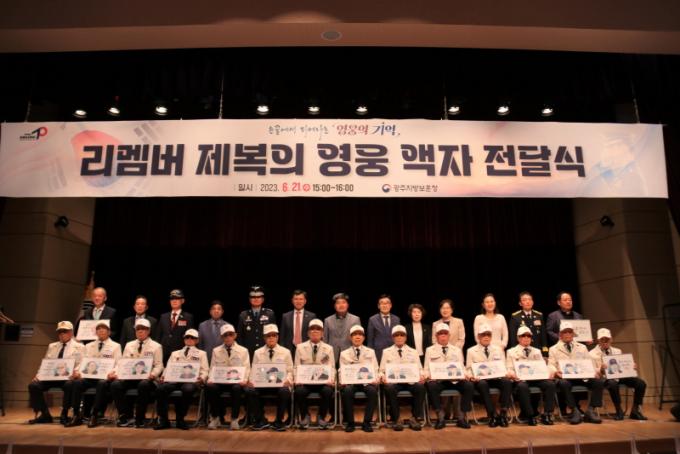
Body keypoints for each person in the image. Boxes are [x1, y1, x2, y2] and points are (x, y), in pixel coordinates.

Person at [27, 321, 86, 425]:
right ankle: (45, 414)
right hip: (51, 377)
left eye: (65, 331)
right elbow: (45, 363)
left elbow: (82, 363)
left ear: (71, 332)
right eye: (60, 332)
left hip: (68, 378)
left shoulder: (80, 347)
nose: (62, 334)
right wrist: (38, 375)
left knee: (69, 385)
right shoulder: (52, 346)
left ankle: (64, 413)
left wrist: (76, 372)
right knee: (33, 385)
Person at [110, 318, 164, 428]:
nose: (140, 331)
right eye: (138, 329)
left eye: (143, 329)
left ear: (148, 331)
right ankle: (125, 416)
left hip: (148, 379)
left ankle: (140, 417)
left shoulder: (156, 346)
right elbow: (122, 363)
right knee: (115, 385)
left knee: (143, 385)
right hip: (130, 378)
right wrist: (116, 373)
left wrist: (153, 374)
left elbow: (159, 365)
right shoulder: (129, 345)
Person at [66, 321, 122, 428]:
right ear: (96, 332)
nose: (101, 331)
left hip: (105, 377)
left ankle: (94, 414)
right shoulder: (88, 346)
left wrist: (113, 372)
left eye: (103, 329)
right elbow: (83, 362)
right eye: (98, 329)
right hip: (89, 377)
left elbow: (119, 363)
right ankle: (76, 415)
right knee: (77, 383)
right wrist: (77, 371)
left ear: (109, 332)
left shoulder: (116, 346)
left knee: (102, 383)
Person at [548, 321, 604, 424]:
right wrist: (555, 372)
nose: (567, 334)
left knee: (599, 382)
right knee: (563, 383)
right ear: (560, 334)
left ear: (573, 334)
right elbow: (551, 365)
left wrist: (596, 371)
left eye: (570, 332)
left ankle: (591, 410)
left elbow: (589, 363)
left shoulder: (582, 347)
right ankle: (574, 411)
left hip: (582, 377)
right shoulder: (553, 349)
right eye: (565, 332)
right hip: (565, 378)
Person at [154, 328, 209, 430]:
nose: (189, 339)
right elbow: (168, 367)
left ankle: (180, 419)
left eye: (192, 338)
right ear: (184, 339)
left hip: (191, 381)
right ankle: (164, 420)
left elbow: (205, 370)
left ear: (197, 340)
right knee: (160, 389)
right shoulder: (175, 353)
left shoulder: (202, 354)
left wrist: (201, 378)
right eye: (187, 337)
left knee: (187, 389)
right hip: (174, 380)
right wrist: (164, 376)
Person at [589, 328, 647, 420]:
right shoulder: (591, 354)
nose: (605, 342)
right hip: (604, 378)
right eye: (602, 339)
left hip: (619, 376)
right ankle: (618, 409)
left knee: (641, 383)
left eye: (607, 339)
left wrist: (631, 367)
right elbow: (591, 371)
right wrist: (600, 369)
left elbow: (622, 366)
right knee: (612, 383)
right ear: (598, 341)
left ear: (611, 339)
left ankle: (635, 410)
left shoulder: (617, 351)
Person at [424, 323, 473, 429]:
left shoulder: (457, 350)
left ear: (449, 335)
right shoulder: (430, 350)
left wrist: (466, 375)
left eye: (445, 333)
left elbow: (462, 367)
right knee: (431, 385)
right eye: (440, 333)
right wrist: (429, 376)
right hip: (439, 381)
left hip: (455, 380)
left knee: (469, 385)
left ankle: (461, 417)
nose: (443, 335)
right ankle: (440, 417)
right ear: (436, 336)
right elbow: (426, 369)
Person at [245, 324, 293, 431]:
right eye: (268, 336)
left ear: (277, 337)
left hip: (279, 384)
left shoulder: (286, 352)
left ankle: (279, 421)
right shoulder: (258, 352)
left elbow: (290, 370)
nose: (271, 338)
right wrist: (251, 381)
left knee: (285, 391)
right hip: (262, 385)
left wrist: (288, 380)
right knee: (250, 390)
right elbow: (254, 370)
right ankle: (260, 420)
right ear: (264, 338)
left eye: (273, 335)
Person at [505, 325, 556, 426]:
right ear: (518, 338)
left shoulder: (537, 351)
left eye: (528, 336)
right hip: (520, 379)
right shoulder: (511, 352)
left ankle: (547, 414)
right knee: (522, 386)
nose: (526, 338)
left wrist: (548, 373)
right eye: (523, 336)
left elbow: (542, 367)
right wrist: (514, 375)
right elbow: (509, 368)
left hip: (536, 378)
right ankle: (530, 415)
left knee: (550, 384)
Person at [380, 324, 426, 432]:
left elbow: (420, 369)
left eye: (402, 335)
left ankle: (414, 418)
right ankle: (396, 419)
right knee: (389, 388)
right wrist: (383, 377)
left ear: (405, 337)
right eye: (396, 335)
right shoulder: (386, 352)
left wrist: (422, 375)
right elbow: (381, 370)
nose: (399, 337)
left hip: (410, 382)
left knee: (420, 387)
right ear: (393, 338)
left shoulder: (413, 351)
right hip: (394, 382)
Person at [466, 323, 513, 427]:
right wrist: (471, 376)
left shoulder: (498, 349)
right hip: (480, 380)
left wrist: (507, 373)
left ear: (491, 336)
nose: (486, 337)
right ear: (478, 337)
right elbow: (468, 369)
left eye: (488, 334)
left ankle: (503, 413)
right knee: (482, 384)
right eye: (483, 335)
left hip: (496, 378)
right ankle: (492, 414)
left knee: (507, 382)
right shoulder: (471, 351)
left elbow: (503, 366)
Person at [206, 323, 250, 430]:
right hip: (220, 381)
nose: (228, 337)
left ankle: (234, 419)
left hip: (236, 382)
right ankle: (215, 417)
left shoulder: (243, 350)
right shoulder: (216, 350)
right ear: (222, 337)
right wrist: (210, 379)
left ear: (235, 335)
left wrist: (245, 380)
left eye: (230, 334)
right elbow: (212, 367)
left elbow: (247, 368)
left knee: (237, 388)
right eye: (225, 335)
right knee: (211, 387)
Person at [293, 319, 335, 429]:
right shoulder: (300, 347)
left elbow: (332, 367)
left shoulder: (329, 348)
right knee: (299, 391)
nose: (315, 331)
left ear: (322, 333)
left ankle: (321, 416)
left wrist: (331, 379)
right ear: (308, 333)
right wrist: (297, 379)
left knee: (328, 391)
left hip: (322, 382)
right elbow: (296, 366)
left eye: (318, 329)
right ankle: (305, 416)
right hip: (306, 382)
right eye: (312, 329)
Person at [339, 324, 378, 433]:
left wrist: (375, 379)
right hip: (351, 383)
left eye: (360, 334)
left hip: (367, 382)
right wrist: (342, 380)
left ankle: (367, 422)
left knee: (372, 391)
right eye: (355, 335)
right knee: (347, 391)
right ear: (350, 338)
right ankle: (350, 422)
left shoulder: (371, 352)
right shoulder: (344, 353)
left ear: (363, 338)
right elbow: (341, 370)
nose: (357, 337)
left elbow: (375, 368)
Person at [237, 286, 277, 357]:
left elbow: (274, 334)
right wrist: (242, 351)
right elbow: (240, 336)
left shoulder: (269, 314)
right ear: (249, 299)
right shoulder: (243, 315)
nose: (256, 299)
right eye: (253, 297)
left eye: (258, 297)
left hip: (265, 350)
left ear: (263, 299)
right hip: (248, 351)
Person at [158, 289, 195, 364]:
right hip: (164, 354)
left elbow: (190, 337)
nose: (174, 301)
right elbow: (158, 336)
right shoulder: (163, 317)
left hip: (180, 354)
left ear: (182, 301)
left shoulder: (188, 317)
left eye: (177, 298)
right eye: (172, 299)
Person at [323, 293, 361, 365]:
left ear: (347, 305)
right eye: (338, 303)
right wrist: (325, 355)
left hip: (349, 355)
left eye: (343, 302)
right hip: (332, 355)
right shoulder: (327, 320)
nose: (341, 305)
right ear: (334, 306)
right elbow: (325, 339)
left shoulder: (355, 319)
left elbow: (358, 339)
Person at [280, 290, 316, 355]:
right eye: (296, 299)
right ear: (292, 301)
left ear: (305, 301)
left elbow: (314, 335)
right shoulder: (285, 316)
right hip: (289, 350)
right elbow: (282, 336)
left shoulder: (312, 316)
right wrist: (282, 351)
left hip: (306, 349)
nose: (298, 301)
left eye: (301, 299)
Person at [367, 294, 400, 363]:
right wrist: (370, 356)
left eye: (387, 303)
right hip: (378, 354)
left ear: (390, 305)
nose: (385, 305)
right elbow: (370, 340)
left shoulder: (397, 319)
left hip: (394, 354)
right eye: (382, 303)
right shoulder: (372, 319)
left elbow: (399, 337)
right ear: (378, 306)